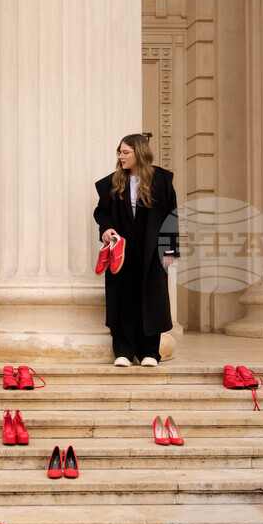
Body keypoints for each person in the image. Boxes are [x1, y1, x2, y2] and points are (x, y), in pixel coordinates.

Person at [93, 133, 179, 367]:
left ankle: (148, 353)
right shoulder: (113, 182)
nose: (121, 157)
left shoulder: (161, 179)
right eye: (119, 152)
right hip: (121, 250)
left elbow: (171, 216)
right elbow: (101, 212)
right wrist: (106, 228)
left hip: (152, 249)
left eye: (125, 152)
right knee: (122, 297)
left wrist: (169, 249)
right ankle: (123, 351)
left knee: (151, 298)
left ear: (139, 152)